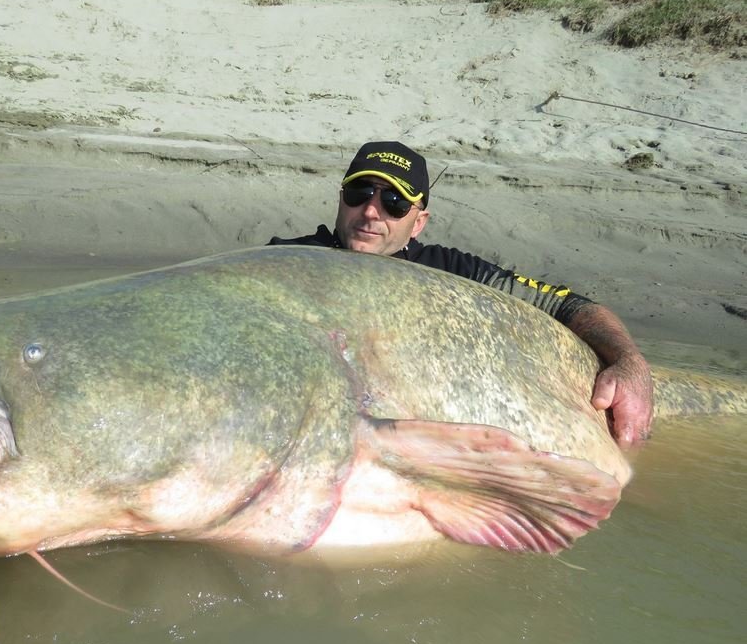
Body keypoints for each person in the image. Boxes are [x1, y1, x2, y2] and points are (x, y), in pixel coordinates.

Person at [268, 141, 653, 447]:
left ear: (418, 222)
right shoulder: (283, 261)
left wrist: (630, 363)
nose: (371, 211)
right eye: (360, 192)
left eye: (394, 202)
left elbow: (565, 304)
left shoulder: (452, 272)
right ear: (341, 199)